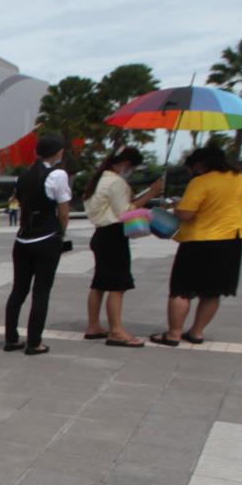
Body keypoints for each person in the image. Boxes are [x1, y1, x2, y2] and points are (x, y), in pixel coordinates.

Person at [151, 145, 242, 347]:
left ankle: (173, 334)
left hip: (200, 241)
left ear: (199, 165)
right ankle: (197, 332)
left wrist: (177, 207)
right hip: (232, 240)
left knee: (182, 289)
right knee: (213, 291)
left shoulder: (201, 182)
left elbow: (186, 214)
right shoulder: (241, 180)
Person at [83, 147, 164, 347]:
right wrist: (151, 194)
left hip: (101, 234)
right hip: (113, 236)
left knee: (99, 283)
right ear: (127, 164)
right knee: (117, 285)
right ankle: (116, 330)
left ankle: (93, 326)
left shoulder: (99, 179)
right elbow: (125, 212)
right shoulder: (116, 182)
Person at [5, 133, 72, 356]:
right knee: (41, 292)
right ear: (58, 152)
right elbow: (63, 212)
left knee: (18, 290)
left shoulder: (22, 177)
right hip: (46, 237)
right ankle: (34, 342)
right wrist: (61, 235)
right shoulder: (58, 175)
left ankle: (11, 338)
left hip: (22, 239)